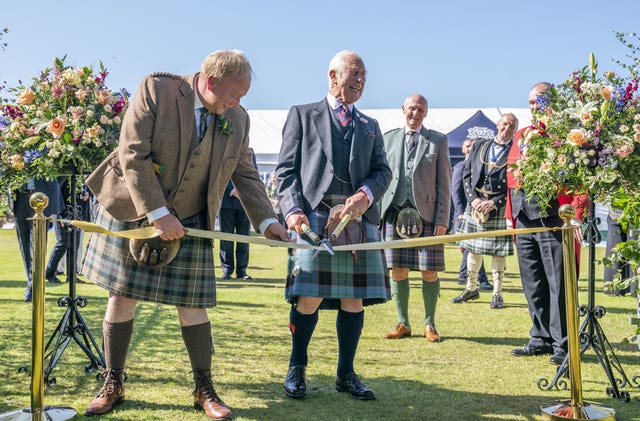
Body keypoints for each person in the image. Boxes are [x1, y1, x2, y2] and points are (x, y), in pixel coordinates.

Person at [80, 50, 288, 420]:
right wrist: (157, 213)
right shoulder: (157, 89)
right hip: (136, 209)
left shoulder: (237, 119)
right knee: (122, 298)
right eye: (233, 95)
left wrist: (269, 222)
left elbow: (246, 173)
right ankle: (112, 381)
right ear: (210, 82)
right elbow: (132, 154)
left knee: (193, 307)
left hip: (191, 218)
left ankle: (204, 388)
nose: (238, 103)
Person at [276, 50, 391, 401]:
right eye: (353, 73)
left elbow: (383, 171)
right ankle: (297, 368)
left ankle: (346, 374)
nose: (359, 81)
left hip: (355, 222)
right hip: (314, 219)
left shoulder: (370, 125)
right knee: (308, 297)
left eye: (363, 76)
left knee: (353, 299)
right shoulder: (302, 114)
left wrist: (365, 196)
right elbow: (285, 171)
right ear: (332, 75)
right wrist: (293, 209)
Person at [506, 82, 586, 365]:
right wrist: (509, 214)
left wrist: (576, 212)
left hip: (554, 217)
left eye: (537, 101)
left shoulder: (565, 135)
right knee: (533, 281)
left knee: (559, 283)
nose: (532, 107)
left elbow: (580, 177)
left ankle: (564, 344)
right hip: (523, 218)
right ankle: (539, 338)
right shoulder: (521, 135)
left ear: (551, 104)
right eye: (529, 102)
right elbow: (511, 176)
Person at [381, 94, 451, 343]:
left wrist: (443, 218)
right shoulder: (387, 138)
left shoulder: (438, 141)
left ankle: (429, 323)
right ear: (403, 109)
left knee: (429, 271)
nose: (415, 113)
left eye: (420, 110)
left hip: (428, 216)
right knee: (398, 270)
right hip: (393, 213)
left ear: (426, 112)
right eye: (412, 108)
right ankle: (403, 323)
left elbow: (445, 183)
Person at [452, 114, 518, 309]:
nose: (506, 128)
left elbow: (515, 185)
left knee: (498, 253)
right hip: (476, 203)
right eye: (504, 124)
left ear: (514, 130)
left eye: (511, 126)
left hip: (498, 206)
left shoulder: (515, 151)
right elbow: (467, 175)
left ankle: (497, 293)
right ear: (497, 125)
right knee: (473, 249)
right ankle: (471, 288)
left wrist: (496, 203)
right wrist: (473, 200)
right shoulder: (480, 145)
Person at [13, 178, 63, 302]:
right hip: (20, 197)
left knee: (38, 244)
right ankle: (32, 282)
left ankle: (33, 286)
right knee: (24, 243)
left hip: (41, 199)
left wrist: (50, 187)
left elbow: (62, 174)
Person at [451, 138, 490, 289]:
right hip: (463, 214)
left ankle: (463, 276)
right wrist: (460, 212)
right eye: (467, 146)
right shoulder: (460, 167)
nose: (470, 148)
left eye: (472, 146)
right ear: (462, 149)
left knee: (470, 247)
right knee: (472, 247)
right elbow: (455, 191)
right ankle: (483, 281)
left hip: (475, 214)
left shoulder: (479, 166)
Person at [218, 149, 257, 280]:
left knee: (244, 239)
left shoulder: (250, 152)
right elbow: (219, 174)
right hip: (225, 202)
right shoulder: (222, 150)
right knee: (226, 239)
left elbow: (253, 174)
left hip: (245, 203)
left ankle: (242, 271)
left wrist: (241, 191)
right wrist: (231, 190)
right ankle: (227, 270)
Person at [603, 207, 636, 296]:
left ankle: (616, 288)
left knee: (617, 250)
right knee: (619, 250)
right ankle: (616, 288)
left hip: (620, 213)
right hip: (627, 214)